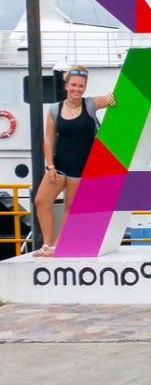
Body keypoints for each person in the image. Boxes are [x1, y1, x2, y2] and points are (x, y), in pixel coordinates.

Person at [33, 66, 115, 257]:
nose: (77, 89)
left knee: (71, 207)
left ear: (85, 88)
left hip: (82, 167)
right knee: (41, 201)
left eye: (81, 86)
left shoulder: (90, 104)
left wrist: (110, 97)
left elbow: (114, 97)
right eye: (74, 85)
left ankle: (60, 244)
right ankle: (47, 243)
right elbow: (49, 140)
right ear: (66, 85)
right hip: (59, 166)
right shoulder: (55, 108)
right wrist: (50, 165)